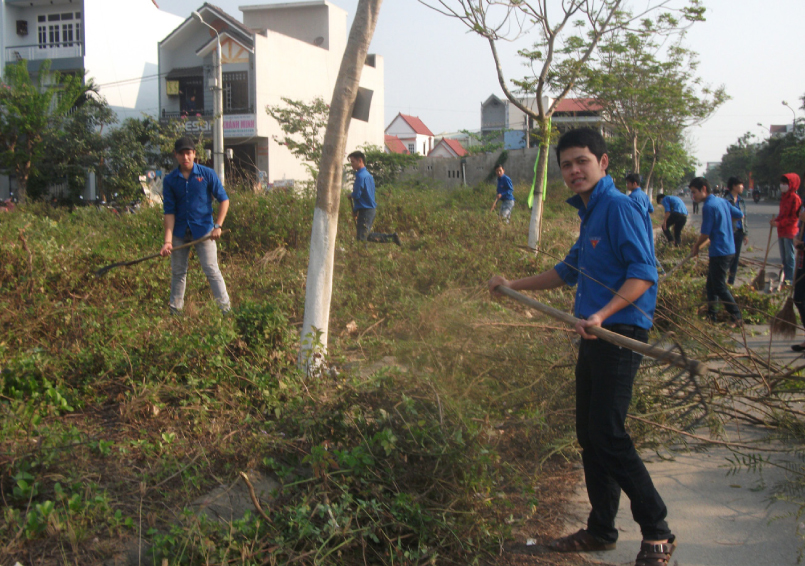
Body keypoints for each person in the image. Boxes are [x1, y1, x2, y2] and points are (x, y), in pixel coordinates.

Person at [489, 128, 675, 566]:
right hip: (594, 334)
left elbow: (643, 275)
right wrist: (510, 285)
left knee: (609, 434)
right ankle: (601, 529)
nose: (574, 170)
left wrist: (603, 314)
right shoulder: (590, 213)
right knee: (590, 436)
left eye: (582, 162)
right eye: (567, 164)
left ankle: (658, 531)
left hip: (619, 335)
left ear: (603, 163)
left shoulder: (619, 207)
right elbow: (566, 271)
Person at [160, 136, 231, 314]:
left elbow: (224, 200)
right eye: (182, 154)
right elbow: (169, 212)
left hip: (205, 231)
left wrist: (218, 226)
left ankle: (226, 310)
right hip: (179, 233)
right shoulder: (170, 180)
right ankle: (175, 312)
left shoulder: (207, 174)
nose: (186, 158)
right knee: (178, 273)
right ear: (176, 155)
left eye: (189, 153)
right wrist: (168, 241)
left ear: (194, 154)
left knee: (211, 270)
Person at [689, 177, 743, 326]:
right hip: (727, 249)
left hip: (721, 251)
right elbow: (739, 214)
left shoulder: (708, 206)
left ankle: (736, 316)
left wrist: (696, 246)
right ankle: (712, 315)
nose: (694, 196)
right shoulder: (722, 202)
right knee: (711, 285)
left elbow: (705, 234)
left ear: (703, 189)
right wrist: (723, 222)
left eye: (695, 192)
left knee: (719, 286)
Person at [347, 151, 401, 246]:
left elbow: (357, 195)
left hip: (365, 211)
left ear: (360, 160)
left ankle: (363, 257)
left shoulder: (360, 176)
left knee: (361, 238)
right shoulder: (368, 175)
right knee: (365, 235)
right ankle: (392, 238)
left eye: (353, 161)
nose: (351, 164)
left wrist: (351, 196)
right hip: (371, 210)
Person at [771, 174, 802, 285]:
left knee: (790, 257)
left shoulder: (795, 199)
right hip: (781, 231)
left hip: (790, 231)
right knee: (784, 258)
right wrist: (775, 221)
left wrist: (779, 223)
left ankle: (789, 280)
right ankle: (785, 278)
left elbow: (794, 218)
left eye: (785, 183)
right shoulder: (784, 197)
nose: (782, 185)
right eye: (782, 183)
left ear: (791, 184)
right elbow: (782, 214)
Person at [724, 177, 749, 285]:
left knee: (736, 257)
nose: (742, 187)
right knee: (727, 256)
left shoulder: (741, 201)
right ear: (734, 186)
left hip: (739, 231)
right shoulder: (725, 200)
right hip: (728, 231)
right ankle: (723, 280)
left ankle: (731, 282)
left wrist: (745, 233)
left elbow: (744, 217)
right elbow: (724, 216)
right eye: (740, 185)